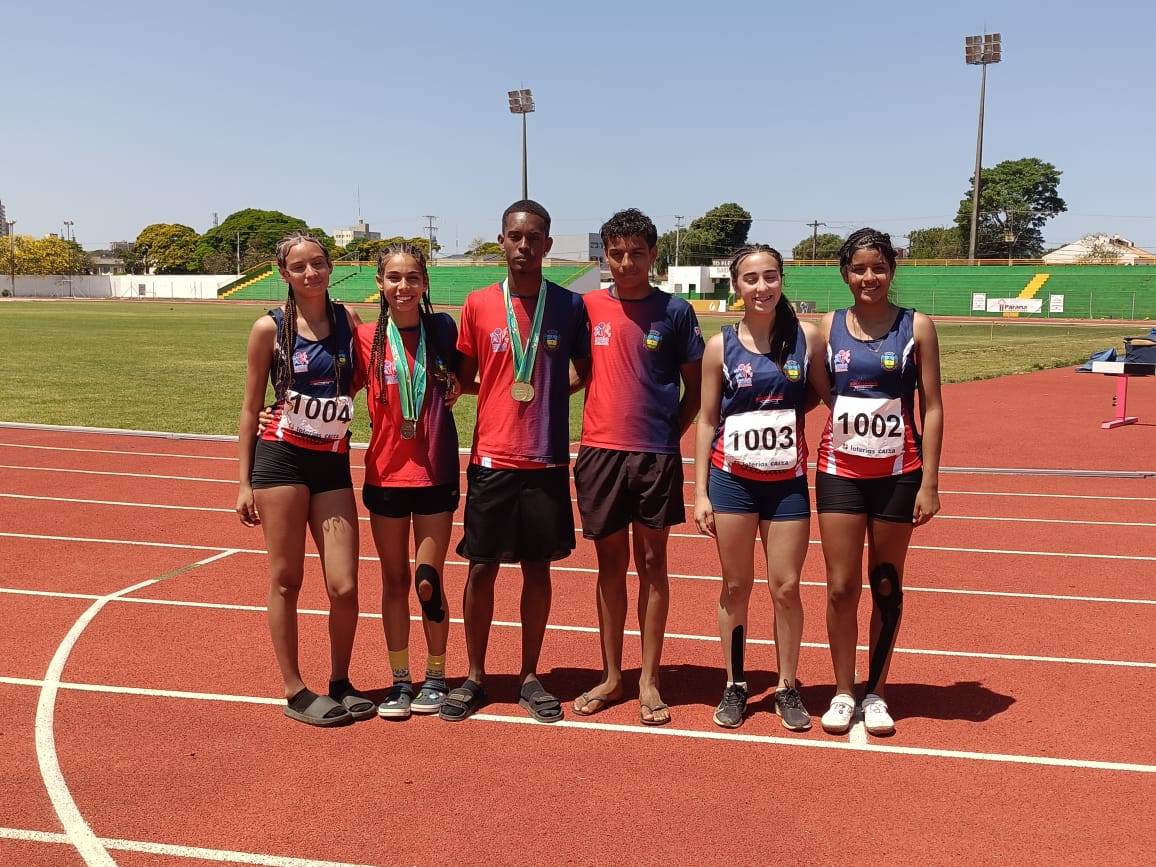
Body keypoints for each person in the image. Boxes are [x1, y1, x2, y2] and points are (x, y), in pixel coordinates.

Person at [438, 199, 591, 724]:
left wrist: (549, 395)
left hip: (545, 461)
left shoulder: (571, 307)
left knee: (537, 570)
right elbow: (463, 378)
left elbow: (586, 371)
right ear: (501, 241)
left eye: (534, 237)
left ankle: (529, 675)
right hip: (492, 458)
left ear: (547, 244)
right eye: (514, 236)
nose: (524, 245)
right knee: (480, 568)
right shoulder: (479, 305)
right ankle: (475, 674)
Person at [235, 231, 375, 727]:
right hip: (280, 461)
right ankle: (294, 689)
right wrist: (244, 481)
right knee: (287, 578)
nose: (311, 273)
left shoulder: (349, 320)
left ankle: (341, 680)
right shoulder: (267, 329)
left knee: (343, 584)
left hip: (331, 462)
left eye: (319, 263)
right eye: (300, 267)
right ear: (285, 274)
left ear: (330, 267)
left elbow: (361, 380)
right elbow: (251, 409)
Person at [571, 208, 703, 727]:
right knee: (609, 568)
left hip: (655, 455)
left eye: (637, 252)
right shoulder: (586, 308)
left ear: (653, 254)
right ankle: (611, 674)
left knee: (653, 564)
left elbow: (694, 388)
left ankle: (649, 677)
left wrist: (670, 435)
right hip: (600, 453)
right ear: (606, 254)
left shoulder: (676, 312)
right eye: (617, 252)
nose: (626, 262)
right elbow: (577, 373)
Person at [694, 245, 830, 730]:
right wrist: (700, 492)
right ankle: (734, 683)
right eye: (751, 279)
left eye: (770, 277)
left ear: (781, 280)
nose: (762, 287)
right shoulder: (720, 346)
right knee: (735, 585)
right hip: (731, 482)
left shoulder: (806, 339)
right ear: (736, 286)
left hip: (787, 485)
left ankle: (788, 686)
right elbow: (708, 420)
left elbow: (823, 394)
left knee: (787, 587)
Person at [815, 228, 943, 736]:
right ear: (845, 274)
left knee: (885, 583)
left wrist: (929, 480)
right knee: (841, 586)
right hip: (839, 472)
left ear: (892, 269)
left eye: (879, 267)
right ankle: (843, 691)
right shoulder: (827, 327)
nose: (870, 277)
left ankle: (877, 691)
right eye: (859, 268)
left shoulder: (918, 326)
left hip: (899, 475)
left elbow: (932, 407)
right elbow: (822, 389)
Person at [355, 242, 461, 720]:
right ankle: (400, 681)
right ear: (380, 283)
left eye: (412, 277)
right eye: (394, 277)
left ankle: (436, 676)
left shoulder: (442, 329)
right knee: (394, 580)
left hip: (435, 472)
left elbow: (463, 378)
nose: (403, 286)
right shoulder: (364, 338)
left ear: (425, 283)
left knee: (427, 579)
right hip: (384, 474)